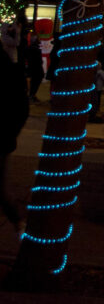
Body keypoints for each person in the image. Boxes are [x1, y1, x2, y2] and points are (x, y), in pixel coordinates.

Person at [0, 36, 29, 233]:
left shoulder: (10, 74)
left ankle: (17, 220)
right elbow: (21, 110)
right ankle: (17, 220)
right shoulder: (12, 72)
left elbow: (20, 110)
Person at [25, 32, 45, 103]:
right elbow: (38, 60)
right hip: (36, 68)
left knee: (34, 82)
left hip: (33, 67)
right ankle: (32, 95)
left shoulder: (30, 48)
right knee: (35, 82)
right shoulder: (35, 48)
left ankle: (32, 95)